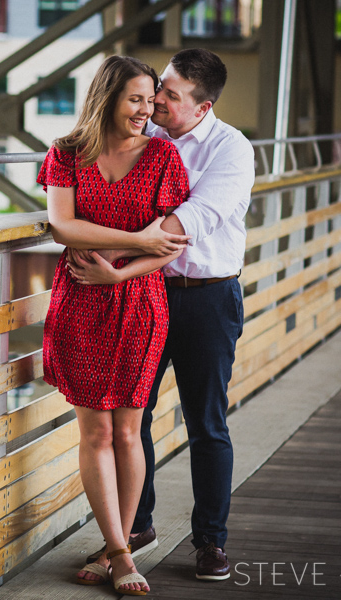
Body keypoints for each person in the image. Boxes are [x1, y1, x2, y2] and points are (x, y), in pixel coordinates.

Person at [71, 48, 255, 581]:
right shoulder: (142, 137)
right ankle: (135, 527)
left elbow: (193, 220)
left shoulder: (230, 148)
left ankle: (210, 541)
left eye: (168, 97)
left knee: (206, 422)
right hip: (142, 295)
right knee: (133, 415)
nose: (154, 105)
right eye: (155, 93)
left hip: (205, 297)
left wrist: (122, 248)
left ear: (202, 107)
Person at [38, 55, 190, 596]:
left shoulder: (165, 156)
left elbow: (169, 246)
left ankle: (116, 548)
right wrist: (137, 241)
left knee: (128, 431)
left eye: (152, 101)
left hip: (141, 303)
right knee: (95, 431)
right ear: (108, 97)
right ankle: (121, 551)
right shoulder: (66, 153)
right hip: (80, 302)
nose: (147, 111)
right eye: (136, 99)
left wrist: (127, 262)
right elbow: (62, 225)